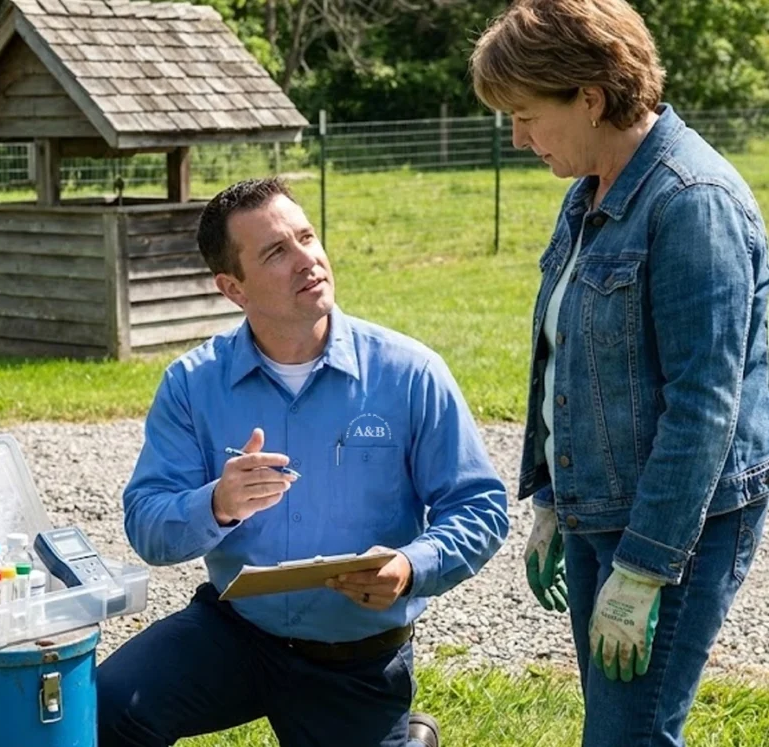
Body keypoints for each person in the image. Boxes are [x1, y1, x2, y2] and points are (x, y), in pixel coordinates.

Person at [96, 177, 508, 747]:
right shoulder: (193, 384)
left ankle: (411, 740)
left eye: (307, 237)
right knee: (104, 709)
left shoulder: (410, 372)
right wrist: (215, 503)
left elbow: (480, 506)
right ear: (232, 287)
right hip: (235, 632)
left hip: (354, 658)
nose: (307, 260)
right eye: (276, 252)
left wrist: (411, 566)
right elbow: (147, 523)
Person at [470, 1, 769, 744]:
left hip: (676, 527)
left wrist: (643, 569)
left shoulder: (692, 203)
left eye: (527, 114)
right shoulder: (589, 195)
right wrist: (549, 498)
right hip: (600, 504)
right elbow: (564, 353)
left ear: (591, 98)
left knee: (626, 737)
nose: (518, 137)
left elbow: (704, 406)